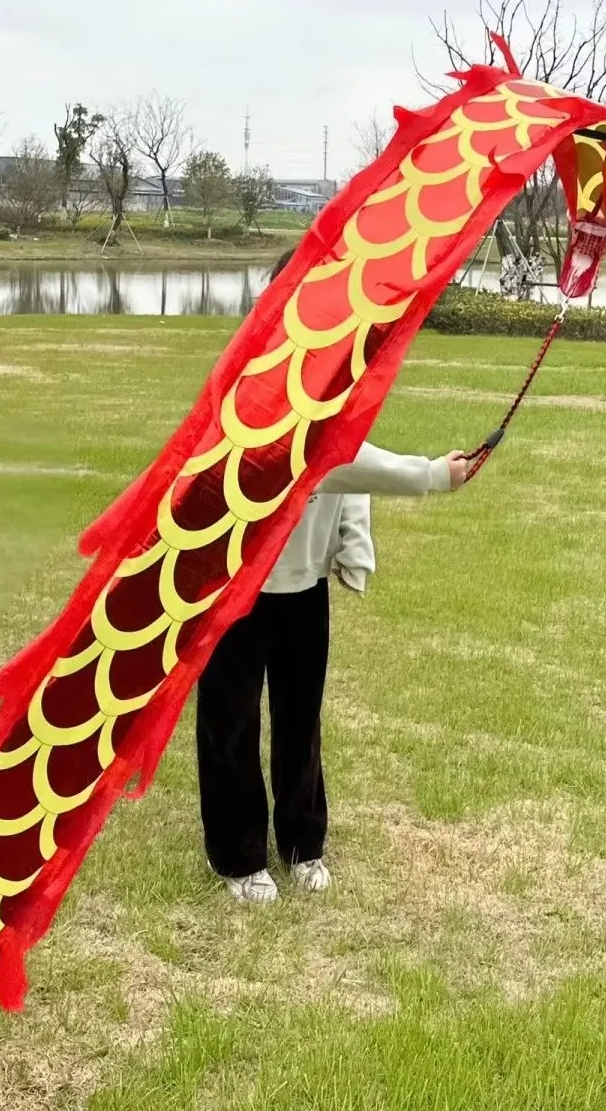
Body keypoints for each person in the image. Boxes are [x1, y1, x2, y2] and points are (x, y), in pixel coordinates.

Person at [195, 248, 469, 904]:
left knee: (299, 717)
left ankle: (301, 842)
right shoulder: (258, 380)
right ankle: (237, 856)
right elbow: (342, 457)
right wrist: (435, 474)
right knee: (231, 722)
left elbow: (348, 475)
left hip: (301, 590)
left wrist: (352, 548)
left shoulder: (336, 379)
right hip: (235, 586)